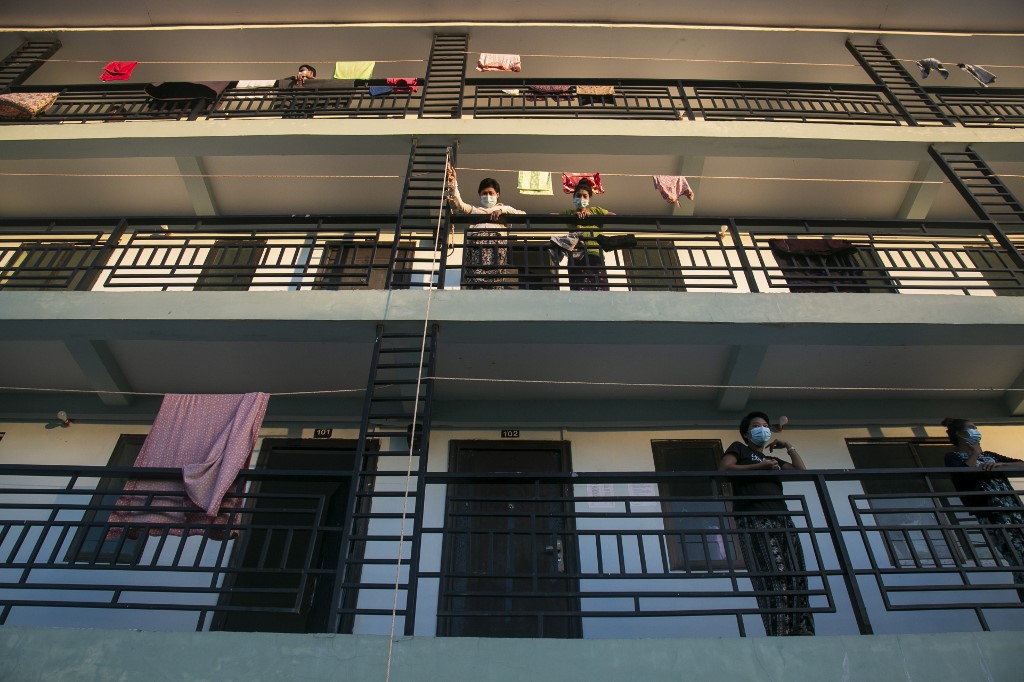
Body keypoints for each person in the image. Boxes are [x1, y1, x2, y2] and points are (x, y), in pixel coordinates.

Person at [719, 411, 815, 636]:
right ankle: (779, 631)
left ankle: (802, 630)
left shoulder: (773, 460)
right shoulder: (740, 449)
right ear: (746, 433)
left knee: (795, 572)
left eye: (764, 425)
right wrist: (759, 467)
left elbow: (801, 472)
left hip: (782, 518)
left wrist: (788, 446)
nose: (762, 429)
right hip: (753, 517)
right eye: (755, 425)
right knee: (772, 574)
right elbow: (724, 469)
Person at [942, 418, 1024, 600]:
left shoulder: (991, 454)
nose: (976, 430)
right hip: (992, 513)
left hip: (1015, 510)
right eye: (972, 428)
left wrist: (1002, 464)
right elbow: (961, 479)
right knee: (1017, 556)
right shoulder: (953, 457)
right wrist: (975, 454)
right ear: (961, 434)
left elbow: (1021, 464)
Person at [447, 168, 524, 289]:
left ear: (497, 195)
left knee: (495, 278)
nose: (487, 196)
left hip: (496, 246)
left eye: (491, 193)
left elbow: (522, 215)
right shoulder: (475, 210)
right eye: (484, 193)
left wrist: (502, 210)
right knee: (476, 278)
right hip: (476, 246)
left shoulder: (504, 210)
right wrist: (453, 183)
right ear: (479, 195)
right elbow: (458, 203)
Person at [559, 179, 614, 291]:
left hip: (594, 254)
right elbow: (551, 216)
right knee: (579, 290)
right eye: (578, 195)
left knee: (600, 289)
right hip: (576, 255)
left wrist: (592, 217)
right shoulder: (569, 213)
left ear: (589, 198)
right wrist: (574, 216)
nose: (581, 199)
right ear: (574, 198)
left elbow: (614, 216)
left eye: (585, 196)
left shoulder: (595, 211)